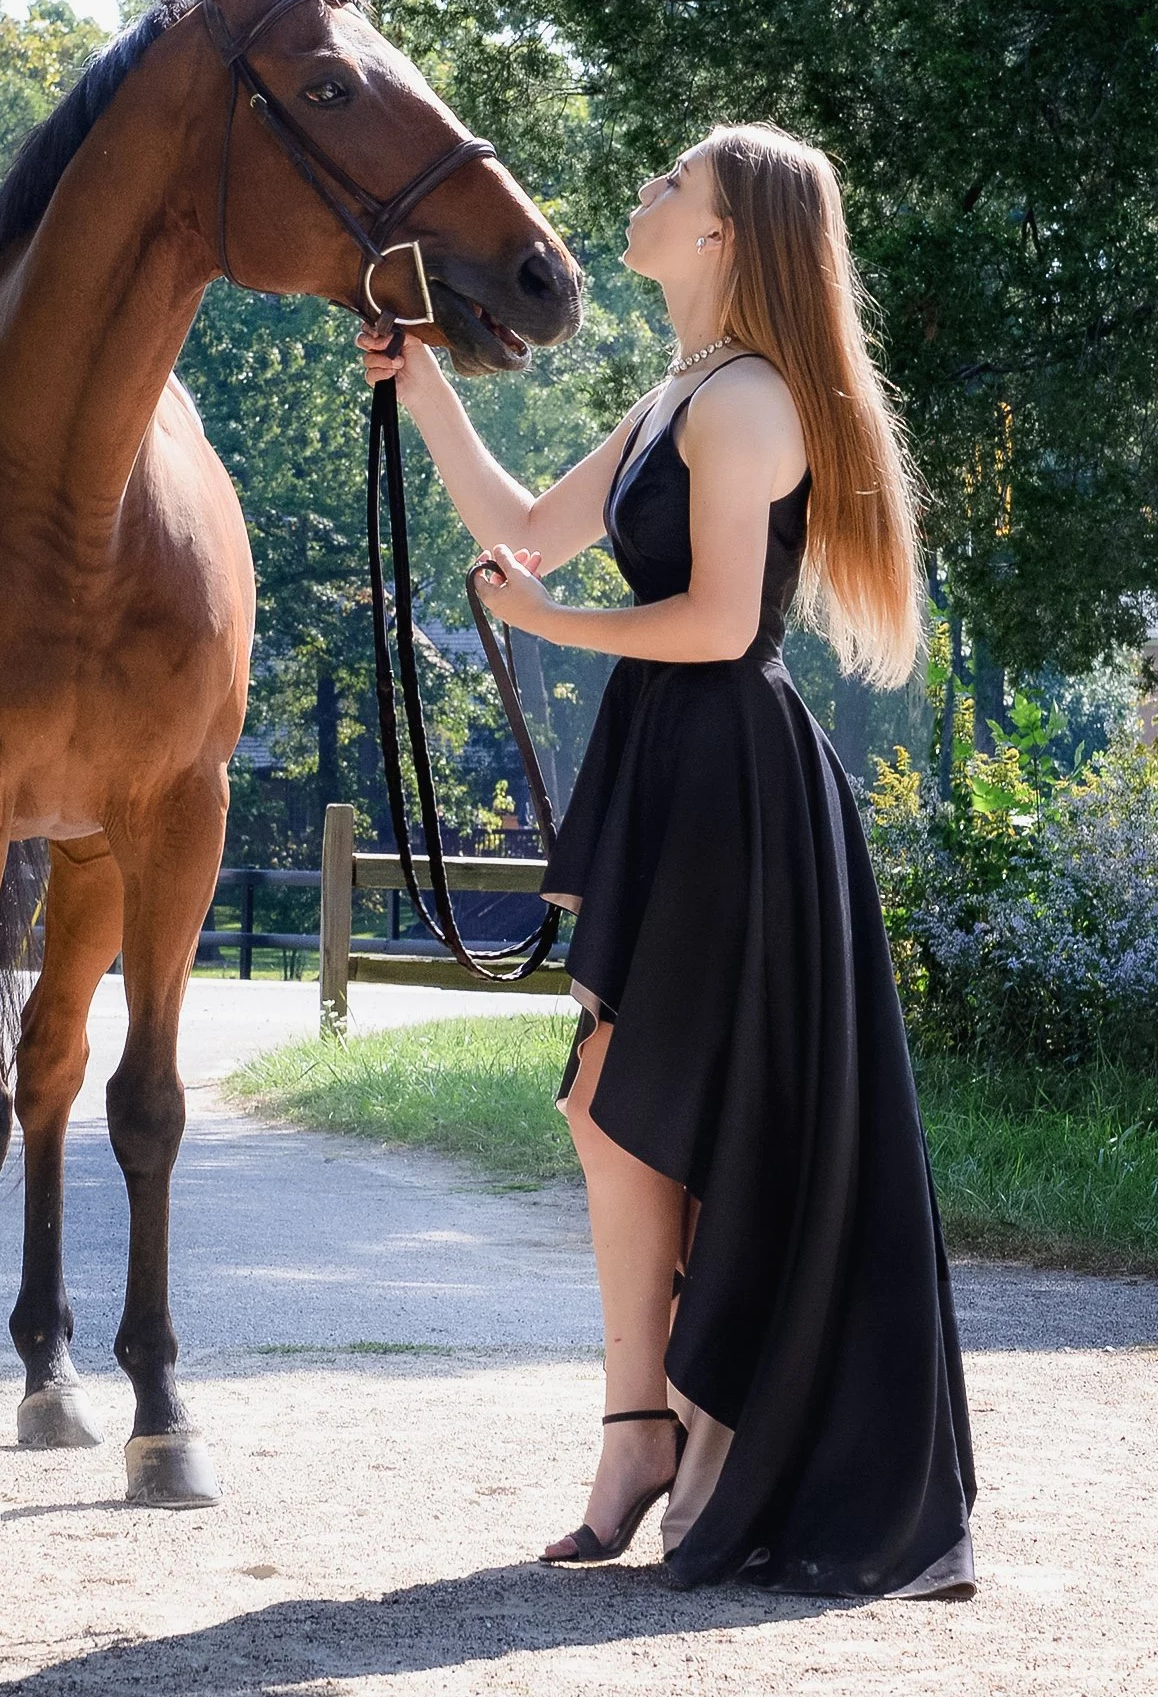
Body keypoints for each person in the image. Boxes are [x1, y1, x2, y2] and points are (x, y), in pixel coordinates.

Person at [355, 122, 976, 1598]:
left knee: (655, 1108)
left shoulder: (750, 402)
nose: (640, 194)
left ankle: (705, 1424)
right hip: (680, 771)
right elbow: (522, 528)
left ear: (724, 236)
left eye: (669, 185)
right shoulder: (676, 396)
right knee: (607, 1105)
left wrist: (546, 627)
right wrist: (423, 380)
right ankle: (645, 1425)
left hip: (732, 781)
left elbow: (716, 622)